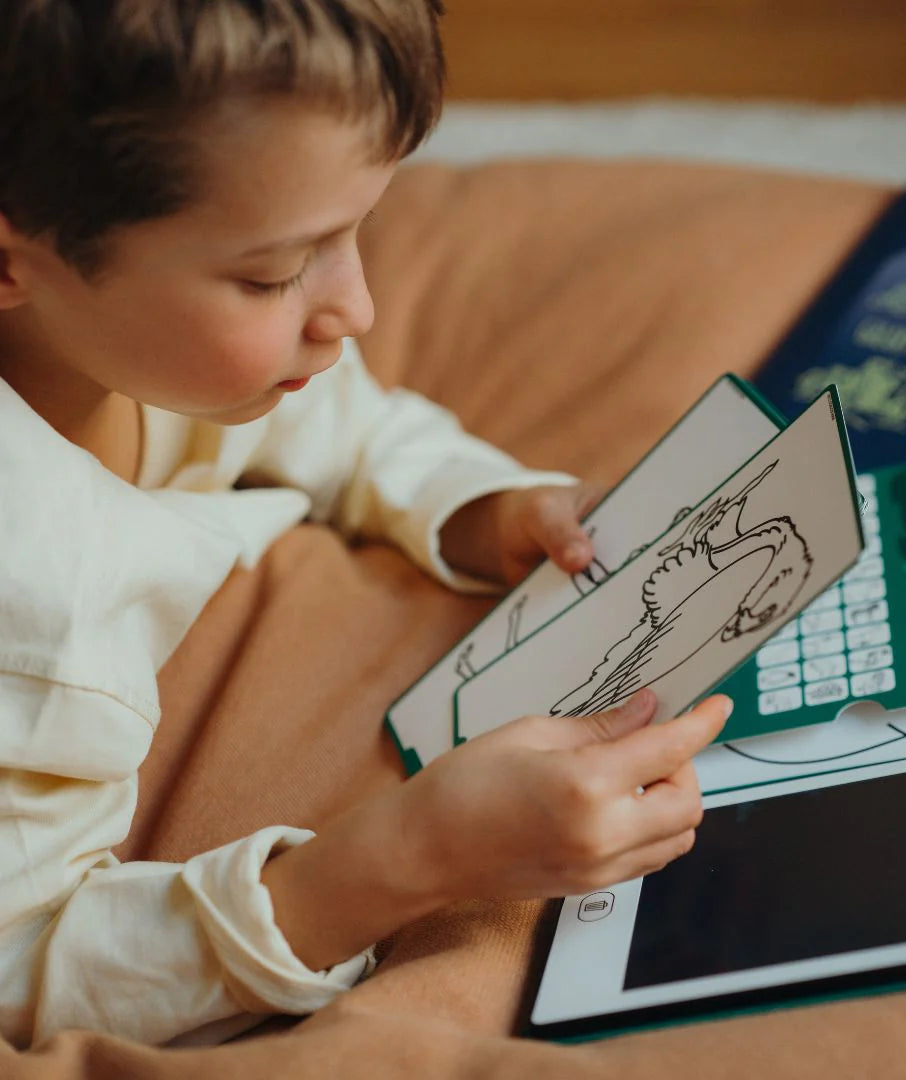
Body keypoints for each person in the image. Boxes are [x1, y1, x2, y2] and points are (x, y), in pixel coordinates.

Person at [0, 0, 731, 1050]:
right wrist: (400, 861)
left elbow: (346, 422)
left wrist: (489, 508)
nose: (358, 309)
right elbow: (28, 971)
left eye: (360, 233)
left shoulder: (134, 345)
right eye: (273, 272)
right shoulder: (36, 601)